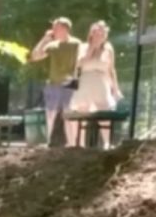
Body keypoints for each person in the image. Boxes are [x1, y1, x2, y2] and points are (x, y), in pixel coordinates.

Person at [70, 20, 124, 148]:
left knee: (104, 111)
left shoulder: (109, 48)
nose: (101, 35)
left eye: (103, 33)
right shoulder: (83, 47)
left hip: (101, 82)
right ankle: (80, 144)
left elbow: (111, 69)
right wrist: (92, 48)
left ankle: (107, 143)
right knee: (82, 111)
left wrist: (115, 88)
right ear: (92, 33)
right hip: (86, 81)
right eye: (98, 33)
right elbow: (79, 64)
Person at [29, 17, 81, 145]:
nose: (53, 30)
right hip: (53, 84)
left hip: (71, 83)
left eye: (56, 28)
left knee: (70, 115)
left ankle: (72, 144)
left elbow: (82, 62)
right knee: (50, 114)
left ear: (65, 29)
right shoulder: (52, 45)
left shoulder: (77, 44)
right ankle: (48, 143)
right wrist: (44, 39)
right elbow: (34, 57)